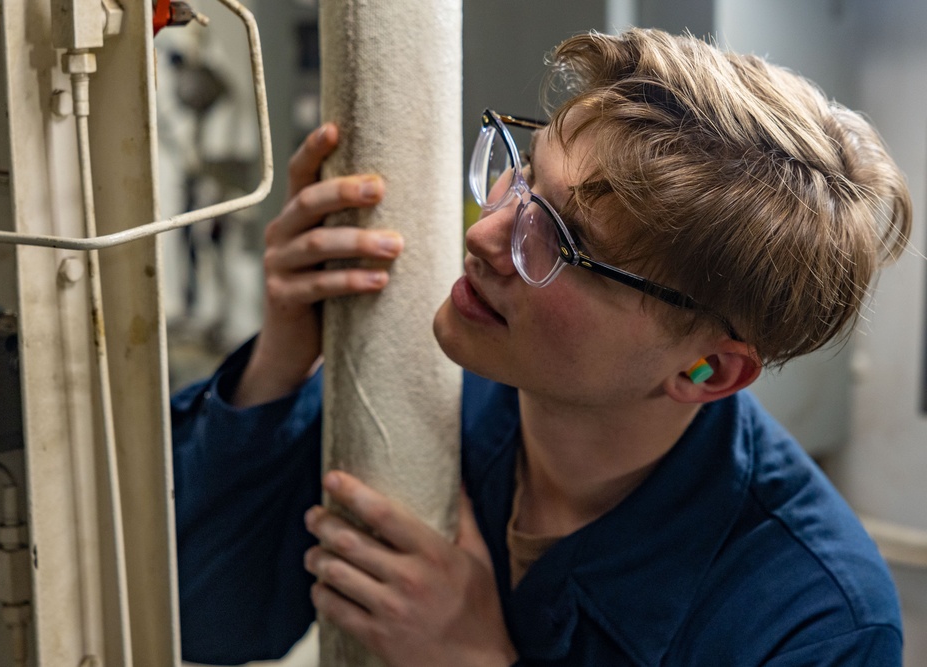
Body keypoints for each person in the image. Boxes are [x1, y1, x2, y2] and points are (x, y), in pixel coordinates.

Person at [172, 28, 912, 666]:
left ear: (707, 368)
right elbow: (203, 614)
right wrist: (279, 355)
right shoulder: (448, 386)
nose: (485, 233)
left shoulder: (814, 618)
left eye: (558, 241)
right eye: (521, 176)